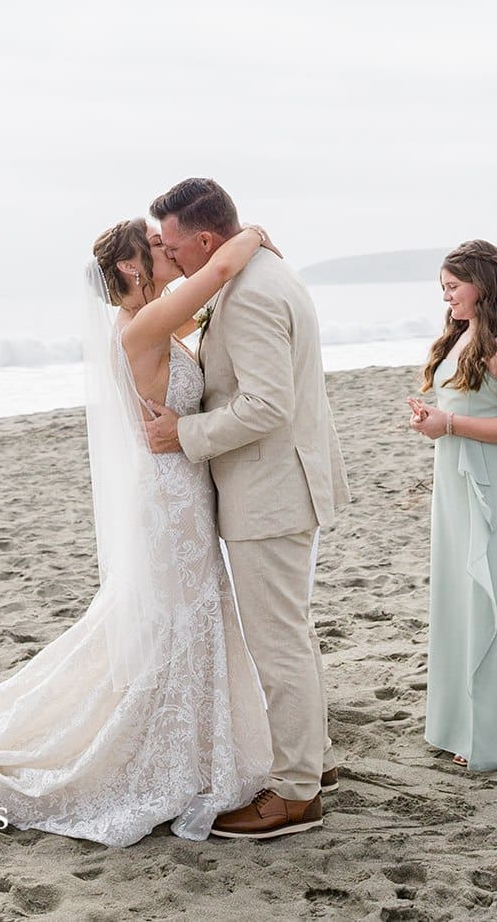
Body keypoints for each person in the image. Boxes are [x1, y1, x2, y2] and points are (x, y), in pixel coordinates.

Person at [0, 216, 272, 847]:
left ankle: (194, 740)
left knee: (186, 614)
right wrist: (253, 235)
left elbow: (205, 314)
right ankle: (171, 749)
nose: (166, 248)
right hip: (170, 498)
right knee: (177, 616)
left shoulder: (151, 320)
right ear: (132, 268)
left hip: (180, 488)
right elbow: (219, 270)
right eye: (156, 245)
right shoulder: (140, 325)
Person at [144, 178, 351, 839]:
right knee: (291, 633)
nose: (171, 257)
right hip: (281, 484)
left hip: (270, 493)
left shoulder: (254, 291)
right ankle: (312, 761)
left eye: (174, 246)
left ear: (206, 240)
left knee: (277, 642)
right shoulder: (256, 272)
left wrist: (185, 433)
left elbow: (266, 405)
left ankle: (294, 793)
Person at [405, 241, 497, 771]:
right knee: (459, 596)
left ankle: (495, 734)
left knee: (495, 596)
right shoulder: (460, 336)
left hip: (495, 484)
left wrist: (450, 424)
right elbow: (462, 409)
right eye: (443, 288)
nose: (447, 298)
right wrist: (433, 421)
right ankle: (459, 722)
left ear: (481, 285)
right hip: (455, 480)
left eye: (453, 287)